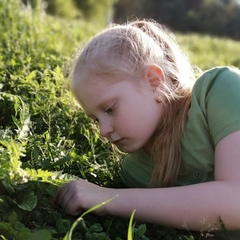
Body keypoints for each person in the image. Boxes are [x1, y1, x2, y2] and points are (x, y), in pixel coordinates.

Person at [51, 19, 240, 239]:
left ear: (154, 81)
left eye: (110, 109)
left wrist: (107, 198)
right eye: (95, 119)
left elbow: (236, 201)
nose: (103, 131)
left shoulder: (219, 91)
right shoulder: (136, 173)